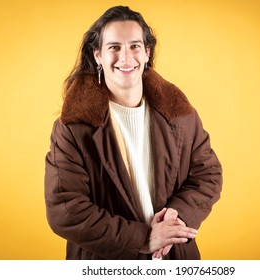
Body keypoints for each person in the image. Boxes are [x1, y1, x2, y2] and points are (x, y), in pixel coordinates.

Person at [44, 5, 223, 260]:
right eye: (114, 47)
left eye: (135, 46)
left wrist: (177, 215)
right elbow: (65, 210)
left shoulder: (181, 113)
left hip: (175, 257)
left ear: (147, 52)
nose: (126, 58)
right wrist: (144, 238)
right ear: (97, 55)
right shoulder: (72, 128)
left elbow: (208, 173)